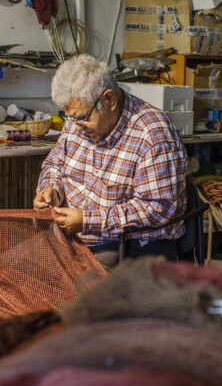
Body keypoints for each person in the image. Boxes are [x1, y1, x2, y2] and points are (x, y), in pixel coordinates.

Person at [34, 54, 187, 267]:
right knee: (10, 270)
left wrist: (88, 222)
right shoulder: (77, 120)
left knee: (73, 293)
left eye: (82, 118)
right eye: (70, 117)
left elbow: (159, 208)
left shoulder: (153, 134)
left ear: (109, 100)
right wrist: (51, 189)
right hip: (73, 239)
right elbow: (54, 164)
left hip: (130, 245)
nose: (75, 126)